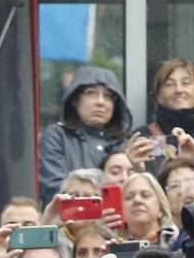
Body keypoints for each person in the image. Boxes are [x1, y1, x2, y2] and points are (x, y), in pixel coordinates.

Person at [38, 66, 133, 203]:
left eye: (108, 96)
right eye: (91, 93)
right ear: (75, 99)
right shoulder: (57, 136)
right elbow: (53, 187)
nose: (100, 102)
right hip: (71, 220)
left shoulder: (125, 142)